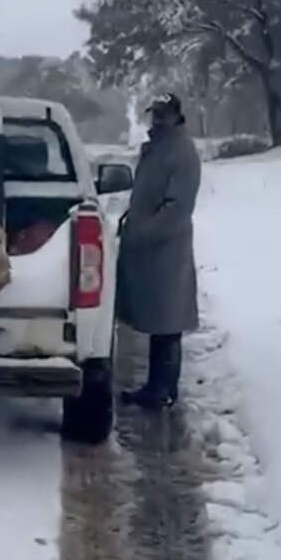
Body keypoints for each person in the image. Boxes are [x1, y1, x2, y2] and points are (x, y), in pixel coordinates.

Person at [116, 93, 201, 409]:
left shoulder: (182, 152)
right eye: (155, 114)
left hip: (167, 249)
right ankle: (157, 386)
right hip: (151, 249)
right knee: (160, 323)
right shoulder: (159, 147)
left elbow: (177, 208)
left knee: (168, 323)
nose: (158, 120)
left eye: (164, 115)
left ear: (176, 116)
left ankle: (163, 390)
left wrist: (142, 232)